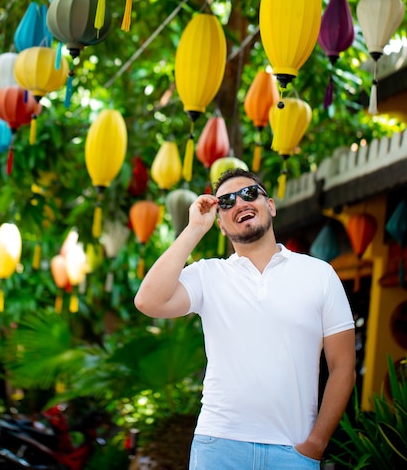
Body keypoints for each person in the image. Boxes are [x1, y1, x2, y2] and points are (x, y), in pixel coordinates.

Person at [134, 168, 356, 470]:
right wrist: (194, 229)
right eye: (226, 202)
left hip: (294, 452)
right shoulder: (208, 275)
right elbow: (148, 300)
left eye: (250, 194)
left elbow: (343, 366)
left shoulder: (319, 274)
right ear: (221, 225)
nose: (240, 203)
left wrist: (315, 444)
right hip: (218, 446)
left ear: (271, 206)